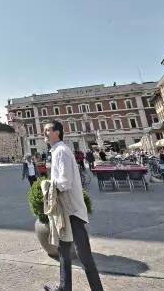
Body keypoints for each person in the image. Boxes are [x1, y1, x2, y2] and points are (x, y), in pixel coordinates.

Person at [43, 121, 103, 291]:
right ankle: (64, 287)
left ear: (57, 132)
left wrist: (48, 187)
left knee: (83, 254)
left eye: (47, 130)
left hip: (72, 209)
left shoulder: (61, 151)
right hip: (65, 208)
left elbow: (65, 182)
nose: (44, 133)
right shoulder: (57, 151)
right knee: (63, 249)